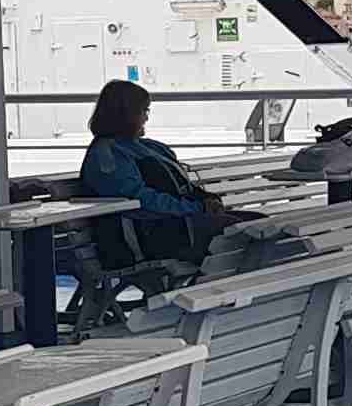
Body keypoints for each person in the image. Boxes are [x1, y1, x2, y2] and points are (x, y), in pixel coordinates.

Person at [76, 80, 248, 273]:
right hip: (145, 237)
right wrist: (196, 208)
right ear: (125, 115)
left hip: (177, 225)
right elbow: (138, 201)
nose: (146, 118)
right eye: (143, 111)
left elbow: (180, 187)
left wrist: (206, 200)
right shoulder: (107, 155)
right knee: (245, 232)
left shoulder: (149, 147)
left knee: (256, 223)